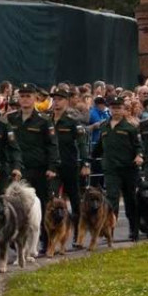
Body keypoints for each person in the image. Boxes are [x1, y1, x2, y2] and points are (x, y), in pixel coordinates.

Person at [9, 83, 59, 251]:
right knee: (16, 206)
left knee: (43, 206)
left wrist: (52, 167)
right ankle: (17, 241)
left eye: (28, 96)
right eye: (22, 96)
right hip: (18, 170)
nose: (24, 99)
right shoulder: (11, 119)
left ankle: (46, 240)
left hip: (39, 169)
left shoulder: (44, 120)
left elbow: (52, 145)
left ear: (35, 98)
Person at [92, 96, 142, 242]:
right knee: (111, 199)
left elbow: (138, 145)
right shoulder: (104, 126)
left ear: (124, 109)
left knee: (130, 199)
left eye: (119, 108)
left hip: (128, 168)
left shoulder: (130, 127)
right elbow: (100, 146)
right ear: (110, 109)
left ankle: (134, 229)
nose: (116, 111)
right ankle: (110, 231)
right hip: (111, 169)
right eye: (113, 108)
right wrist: (90, 159)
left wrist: (139, 155)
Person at [50, 87, 87, 245]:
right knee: (52, 200)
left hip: (69, 165)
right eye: (54, 99)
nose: (56, 102)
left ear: (66, 101)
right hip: (53, 167)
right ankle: (52, 237)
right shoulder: (47, 120)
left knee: (75, 200)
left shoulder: (72, 121)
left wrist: (85, 163)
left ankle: (78, 234)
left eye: (60, 99)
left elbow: (82, 143)